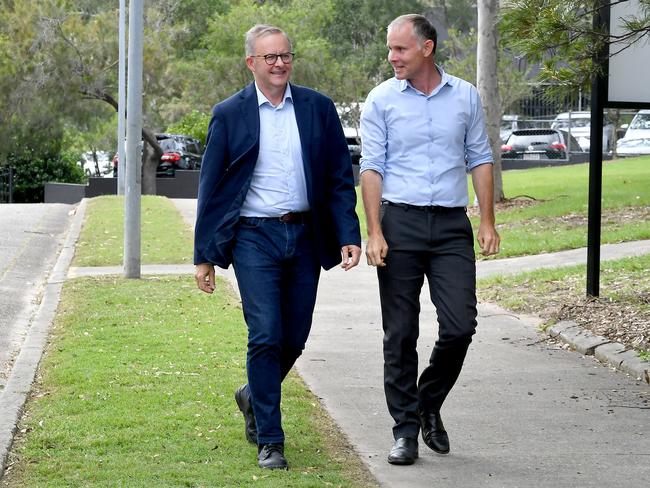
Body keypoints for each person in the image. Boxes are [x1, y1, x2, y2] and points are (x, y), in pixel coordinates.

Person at [194, 24, 361, 470]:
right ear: (252, 62)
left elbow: (339, 179)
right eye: (270, 57)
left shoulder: (318, 109)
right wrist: (204, 256)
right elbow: (211, 187)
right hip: (253, 236)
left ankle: (252, 394)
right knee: (265, 334)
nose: (280, 63)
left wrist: (348, 233)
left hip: (306, 235)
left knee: (294, 338)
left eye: (285, 55)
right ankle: (271, 439)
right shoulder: (230, 113)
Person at [359, 14, 500, 466]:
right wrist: (374, 230)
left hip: (450, 226)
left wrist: (487, 221)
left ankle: (427, 401)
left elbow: (479, 157)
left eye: (400, 49)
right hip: (399, 224)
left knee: (460, 326)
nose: (392, 57)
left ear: (427, 48)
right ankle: (405, 431)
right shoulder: (381, 100)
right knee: (400, 334)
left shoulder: (464, 96)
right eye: (389, 49)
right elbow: (371, 167)